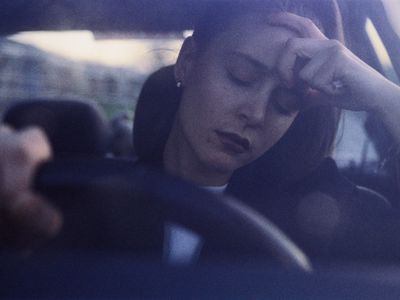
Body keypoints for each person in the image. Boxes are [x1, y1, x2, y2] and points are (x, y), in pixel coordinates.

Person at [2, 0, 400, 261]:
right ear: (188, 61)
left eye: (285, 103)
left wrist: (383, 95)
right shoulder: (65, 201)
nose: (255, 112)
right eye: (241, 76)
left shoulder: (328, 214)